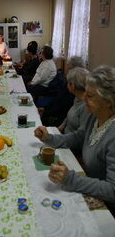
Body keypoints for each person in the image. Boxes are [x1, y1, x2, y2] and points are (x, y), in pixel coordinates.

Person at [34, 65, 115, 215]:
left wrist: (70, 178)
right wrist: (48, 138)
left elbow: (112, 190)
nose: (83, 98)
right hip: (89, 184)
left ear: (108, 101)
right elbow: (77, 137)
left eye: (90, 96)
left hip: (107, 207)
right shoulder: (94, 117)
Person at [40, 56, 86, 127]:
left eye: (68, 67)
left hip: (58, 118)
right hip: (59, 117)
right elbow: (58, 98)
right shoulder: (72, 88)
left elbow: (61, 106)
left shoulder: (76, 90)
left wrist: (46, 112)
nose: (67, 69)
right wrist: (44, 108)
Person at [58, 67, 90, 134]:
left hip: (70, 141)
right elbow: (69, 116)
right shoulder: (77, 98)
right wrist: (61, 127)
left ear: (72, 86)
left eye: (68, 82)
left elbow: (81, 136)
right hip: (64, 134)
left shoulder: (87, 106)